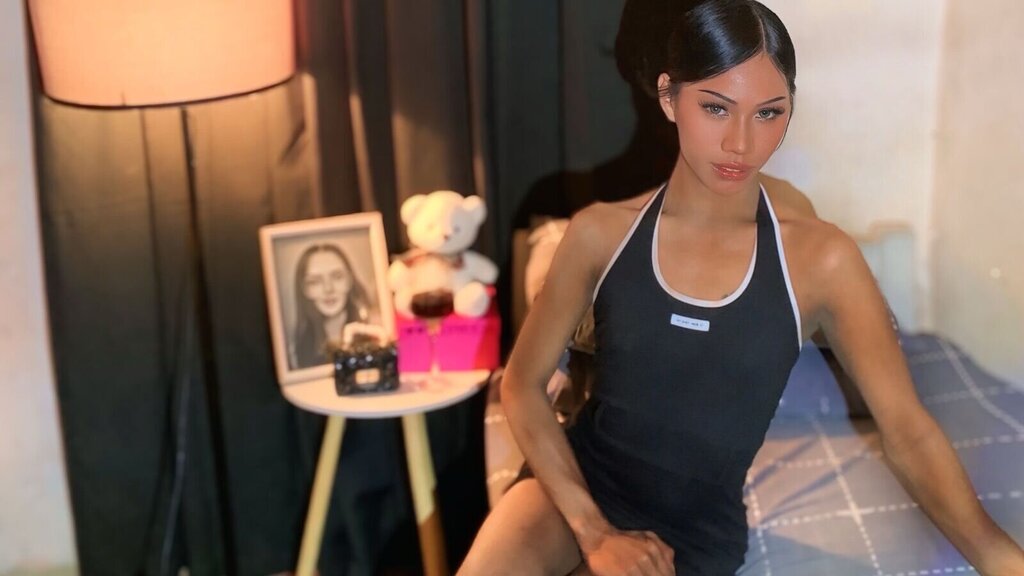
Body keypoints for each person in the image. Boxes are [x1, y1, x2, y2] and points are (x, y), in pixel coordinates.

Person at [458, 1, 1024, 575]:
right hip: (576, 487)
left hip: (695, 531)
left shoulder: (821, 259)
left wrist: (1002, 558)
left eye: (768, 113)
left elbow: (909, 433)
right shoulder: (598, 233)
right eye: (715, 107)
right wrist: (595, 532)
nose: (740, 144)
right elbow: (522, 386)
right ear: (669, 97)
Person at [288, 243, 377, 369]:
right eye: (315, 281)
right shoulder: (296, 349)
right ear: (305, 289)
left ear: (349, 280)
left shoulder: (373, 328)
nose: (328, 289)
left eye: (337, 277)